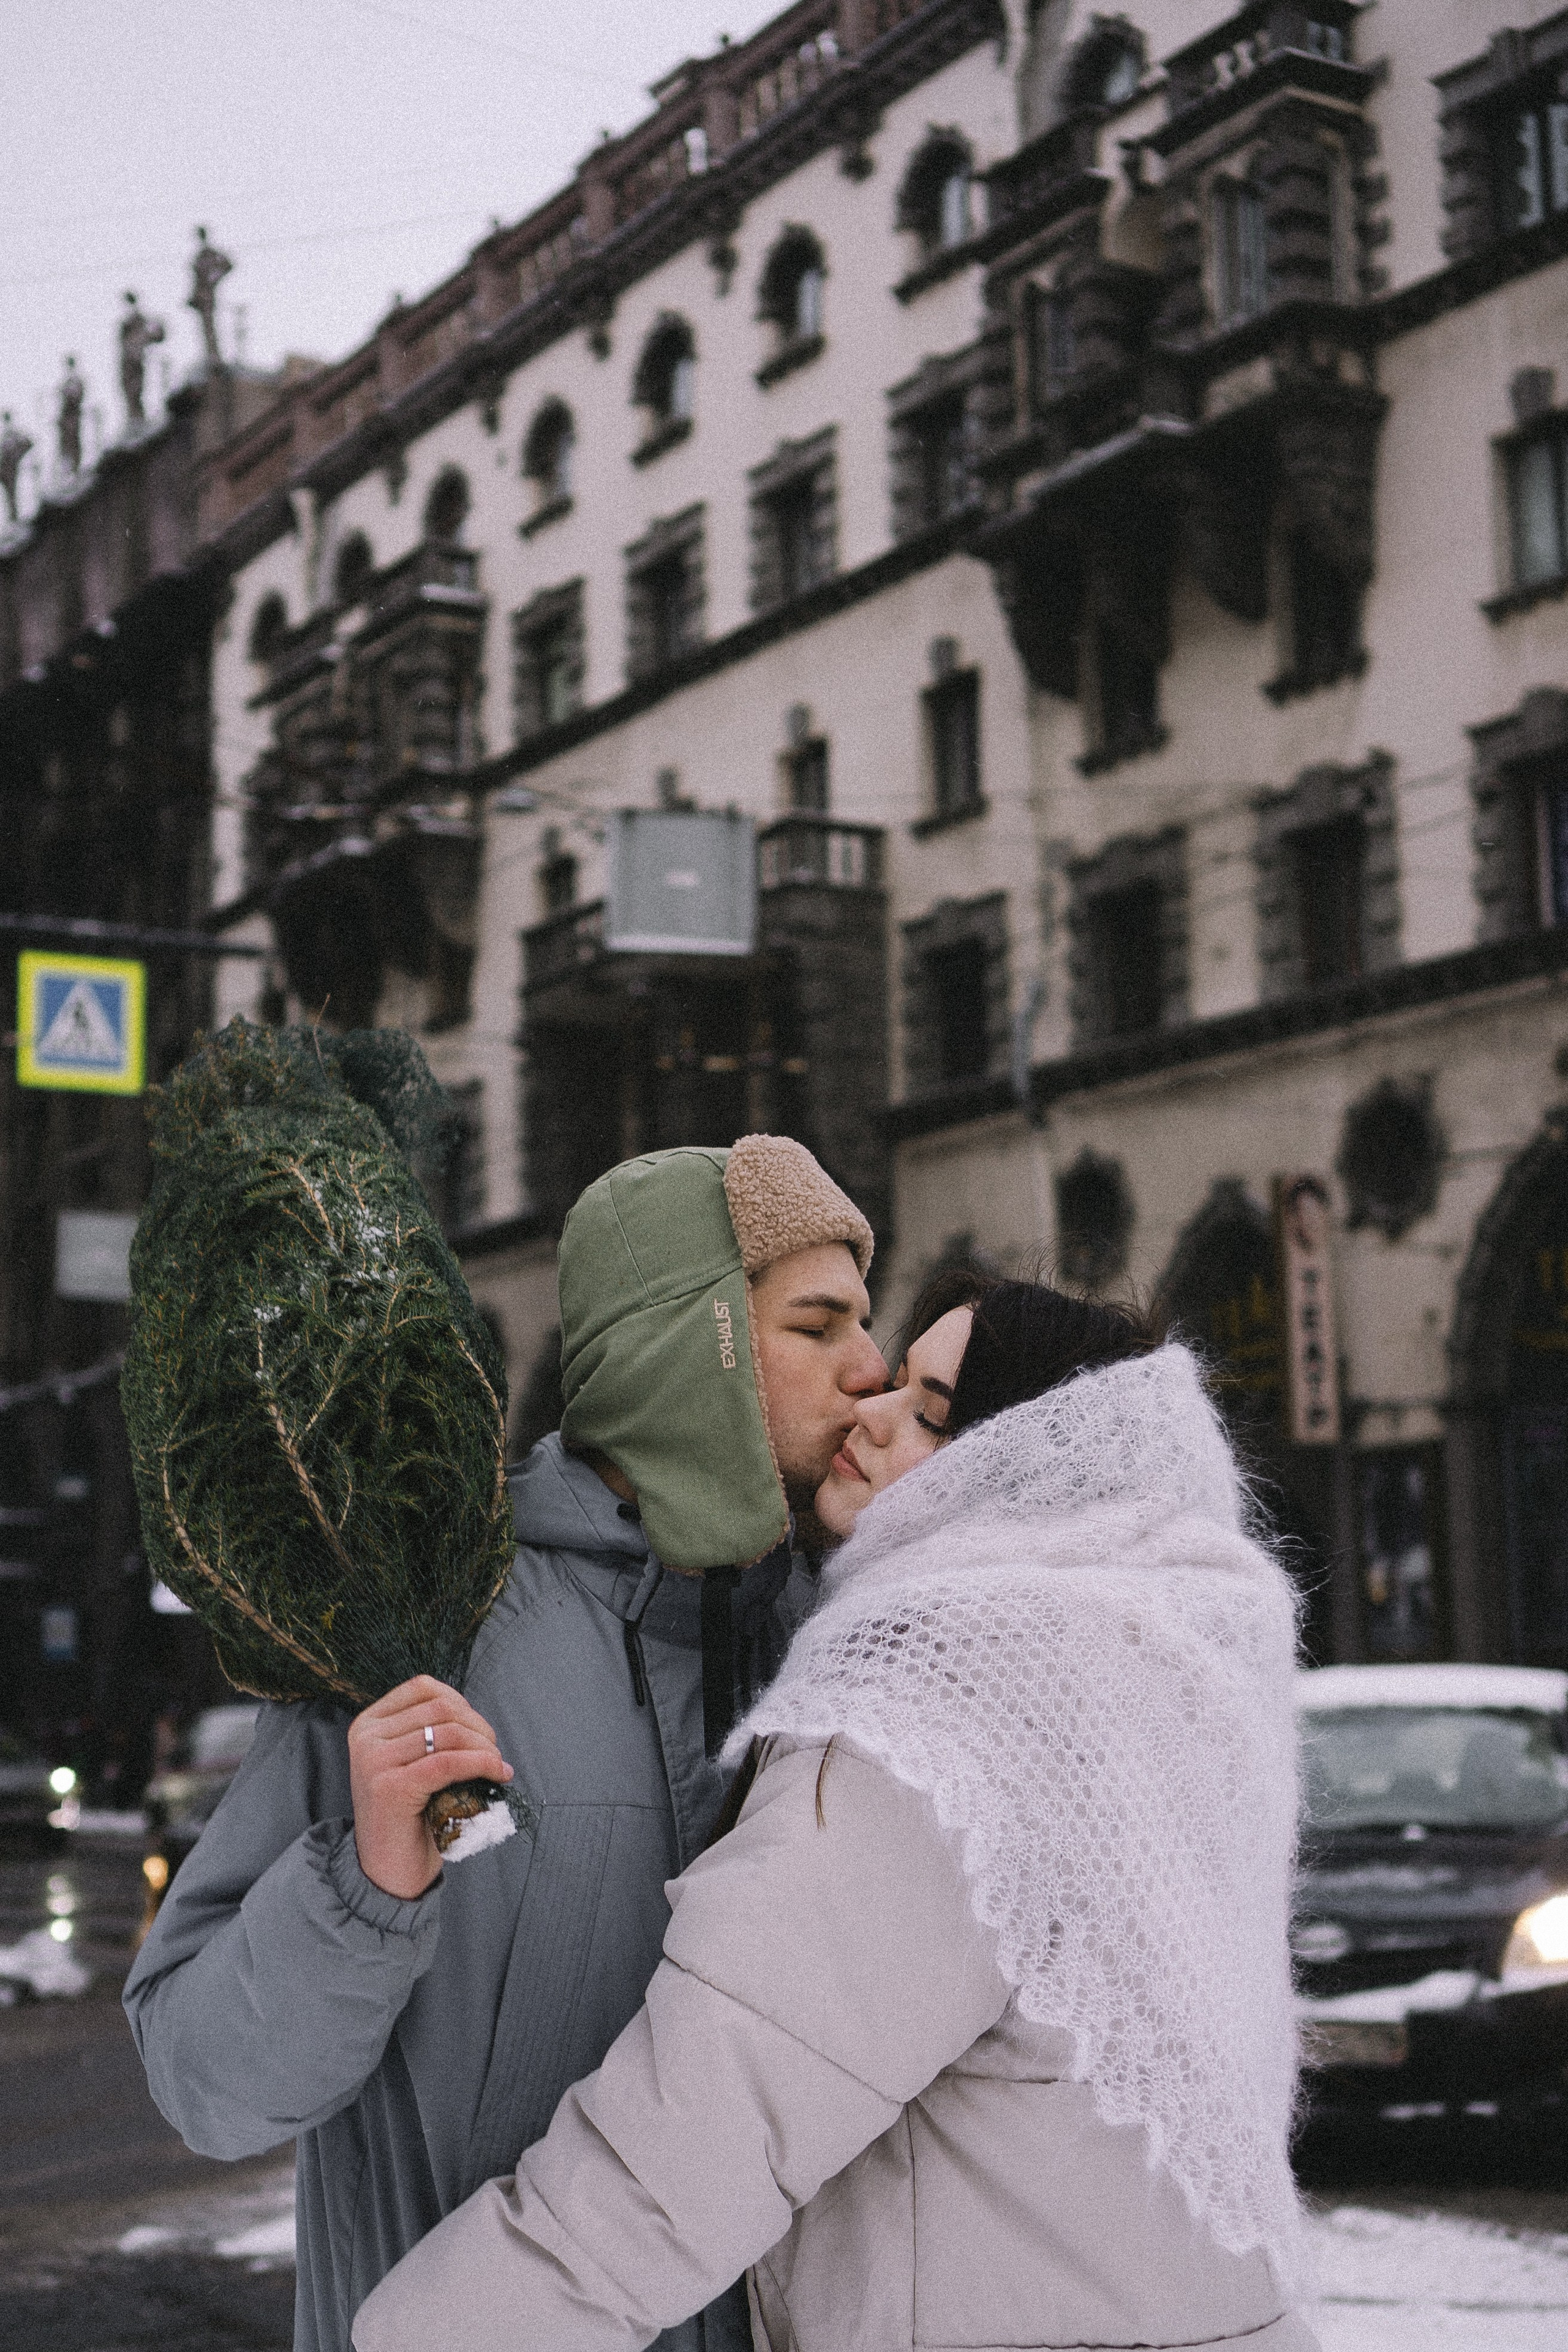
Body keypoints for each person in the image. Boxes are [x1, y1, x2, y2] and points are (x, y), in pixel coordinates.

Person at [353, 1270, 1319, 2352]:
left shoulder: (952, 1702)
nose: (869, 1409)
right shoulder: (1156, 1677)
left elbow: (701, 2135)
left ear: (1023, 1473)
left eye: (931, 1413)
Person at [124, 1136, 888, 2352]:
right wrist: (368, 1888)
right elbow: (209, 2089)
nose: (869, 1366)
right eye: (818, 1325)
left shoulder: (842, 1646)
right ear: (694, 1345)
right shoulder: (420, 1630)